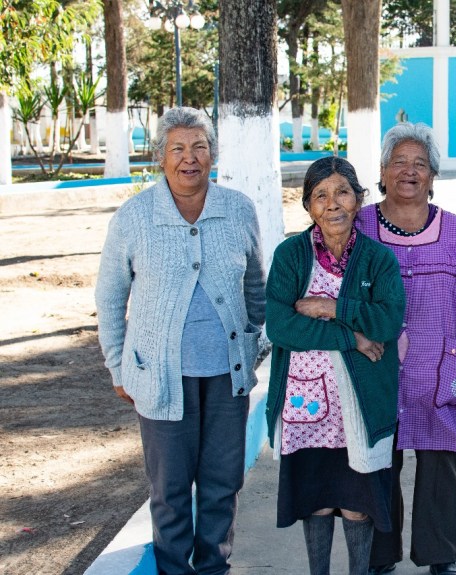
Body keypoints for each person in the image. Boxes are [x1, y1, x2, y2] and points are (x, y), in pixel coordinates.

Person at [95, 106, 266, 575]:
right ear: (160, 157)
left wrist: (252, 342)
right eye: (177, 149)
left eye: (199, 147)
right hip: (160, 380)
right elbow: (110, 299)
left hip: (227, 377)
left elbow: (256, 287)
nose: (189, 159)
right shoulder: (134, 218)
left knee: (221, 483)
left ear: (213, 154)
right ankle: (173, 569)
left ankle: (214, 567)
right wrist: (117, 366)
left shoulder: (237, 209)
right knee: (169, 491)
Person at [354, 122, 456, 575]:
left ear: (433, 176)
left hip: (442, 367)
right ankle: (378, 555)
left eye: (420, 164)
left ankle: (440, 556)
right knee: (376, 461)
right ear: (382, 171)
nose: (409, 172)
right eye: (399, 162)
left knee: (439, 462)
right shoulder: (359, 226)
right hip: (373, 367)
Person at [264, 156, 406, 575]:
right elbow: (281, 325)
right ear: (308, 206)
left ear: (359, 199)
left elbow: (388, 320)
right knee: (318, 501)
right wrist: (351, 337)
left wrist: (329, 306)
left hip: (360, 405)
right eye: (320, 196)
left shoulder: (378, 259)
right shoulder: (291, 254)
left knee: (358, 504)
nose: (333, 204)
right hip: (305, 405)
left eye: (342, 191)